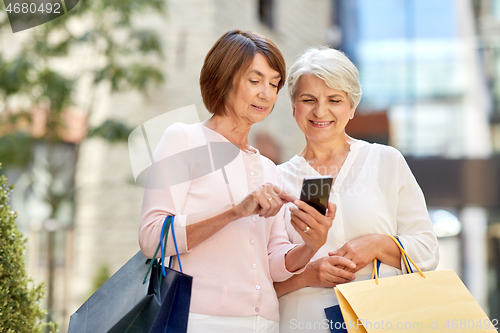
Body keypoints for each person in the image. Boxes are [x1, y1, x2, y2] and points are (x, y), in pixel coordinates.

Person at [139, 30, 336, 333]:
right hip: (198, 319)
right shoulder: (184, 139)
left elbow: (273, 262)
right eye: (255, 81)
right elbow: (153, 238)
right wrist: (236, 211)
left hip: (264, 323)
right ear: (223, 78)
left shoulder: (270, 169)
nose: (267, 94)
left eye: (274, 84)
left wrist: (311, 244)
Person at [274, 47, 439, 333]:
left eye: (334, 100)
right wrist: (307, 276)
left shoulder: (385, 161)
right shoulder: (278, 179)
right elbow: (259, 282)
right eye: (308, 99)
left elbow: (427, 251)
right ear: (293, 107)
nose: (320, 111)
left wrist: (378, 244)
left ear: (352, 107)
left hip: (381, 320)